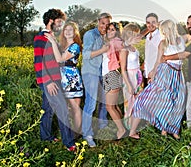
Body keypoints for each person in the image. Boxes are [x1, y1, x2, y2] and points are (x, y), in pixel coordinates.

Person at [129, 19, 191, 140]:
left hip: (178, 74)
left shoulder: (181, 40)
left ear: (170, 29)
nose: (162, 33)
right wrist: (152, 73)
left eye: (163, 30)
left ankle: (173, 129)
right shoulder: (163, 43)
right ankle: (136, 130)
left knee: (178, 102)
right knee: (158, 100)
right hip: (165, 72)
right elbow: (159, 60)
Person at [33, 8, 76, 152]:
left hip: (56, 79)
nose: (60, 25)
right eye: (58, 22)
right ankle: (69, 142)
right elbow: (39, 62)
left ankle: (45, 136)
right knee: (63, 109)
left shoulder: (52, 38)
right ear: (50, 21)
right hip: (50, 81)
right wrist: (48, 82)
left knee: (48, 109)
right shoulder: (40, 38)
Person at [162, 14, 191, 130]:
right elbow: (187, 38)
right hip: (190, 78)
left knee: (190, 108)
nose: (189, 25)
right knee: (187, 106)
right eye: (188, 23)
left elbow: (185, 54)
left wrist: (165, 58)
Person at [45, 21, 84, 134]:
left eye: (70, 30)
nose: (67, 32)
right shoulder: (62, 45)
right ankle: (70, 131)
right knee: (67, 108)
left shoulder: (75, 46)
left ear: (75, 33)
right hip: (61, 78)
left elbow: (60, 59)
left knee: (75, 107)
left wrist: (52, 42)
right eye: (65, 29)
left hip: (71, 79)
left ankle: (77, 133)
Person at [81, 12, 111, 147]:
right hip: (90, 72)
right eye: (102, 23)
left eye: (107, 24)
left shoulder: (106, 36)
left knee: (104, 101)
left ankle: (103, 125)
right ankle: (87, 133)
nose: (104, 26)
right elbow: (86, 55)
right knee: (91, 103)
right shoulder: (90, 35)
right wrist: (102, 50)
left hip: (102, 72)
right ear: (97, 22)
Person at [102, 22, 129, 140]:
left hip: (112, 75)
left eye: (112, 30)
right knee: (114, 106)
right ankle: (123, 127)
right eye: (108, 29)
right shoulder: (109, 42)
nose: (109, 32)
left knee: (109, 107)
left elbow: (122, 46)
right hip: (107, 76)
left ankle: (121, 130)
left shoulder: (116, 41)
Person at [121, 23, 143, 129]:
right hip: (129, 76)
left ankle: (135, 125)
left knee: (138, 100)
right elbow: (123, 69)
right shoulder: (124, 49)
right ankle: (128, 127)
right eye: (136, 34)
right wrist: (129, 85)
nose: (138, 36)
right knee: (129, 102)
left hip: (138, 75)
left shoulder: (133, 48)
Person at [142, 13, 162, 87]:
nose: (151, 25)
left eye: (153, 22)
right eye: (148, 22)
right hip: (148, 73)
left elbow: (162, 56)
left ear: (157, 23)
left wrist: (154, 70)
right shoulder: (147, 37)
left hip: (157, 73)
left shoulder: (160, 36)